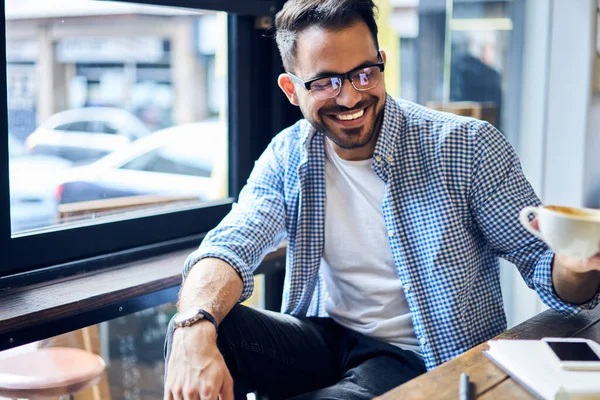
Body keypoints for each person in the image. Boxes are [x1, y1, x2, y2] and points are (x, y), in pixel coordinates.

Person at [164, 1, 600, 399]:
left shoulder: (466, 146)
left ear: (382, 64)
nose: (351, 95)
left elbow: (545, 266)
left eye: (363, 73)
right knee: (198, 329)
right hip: (325, 337)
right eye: (325, 82)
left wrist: (575, 263)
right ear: (292, 90)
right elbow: (232, 242)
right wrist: (191, 327)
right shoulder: (288, 154)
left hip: (418, 355)